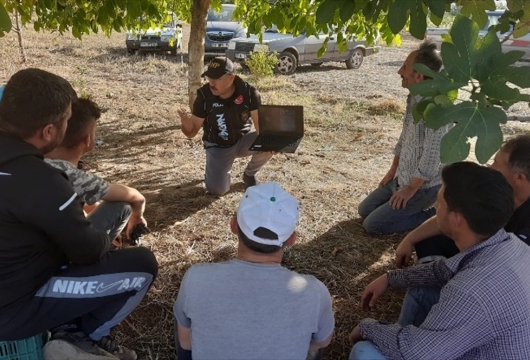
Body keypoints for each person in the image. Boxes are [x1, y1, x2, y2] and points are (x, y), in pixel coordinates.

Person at [0, 68, 158, 360]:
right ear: (48, 131)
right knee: (142, 265)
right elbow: (88, 252)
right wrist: (106, 242)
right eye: (66, 120)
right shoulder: (39, 180)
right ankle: (82, 337)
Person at [348, 162, 530, 360]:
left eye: (440, 204)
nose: (435, 208)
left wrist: (369, 327)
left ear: (456, 220)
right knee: (423, 292)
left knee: (365, 353)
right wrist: (391, 278)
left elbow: (417, 352)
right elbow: (445, 270)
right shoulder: (512, 246)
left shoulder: (471, 291)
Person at [395, 135, 530, 300]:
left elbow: (506, 268)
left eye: (496, 163)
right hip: (491, 256)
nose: (490, 168)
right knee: (428, 240)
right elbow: (450, 215)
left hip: (526, 289)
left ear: (519, 177)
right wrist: (410, 239)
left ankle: (441, 291)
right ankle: (439, 284)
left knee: (427, 289)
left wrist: (442, 272)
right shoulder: (504, 190)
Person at [173, 182, 334, 359]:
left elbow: (186, 342)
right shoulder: (315, 292)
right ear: (291, 239)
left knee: (183, 318)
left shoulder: (196, 278)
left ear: (233, 225)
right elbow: (321, 342)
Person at [357, 40, 451, 234]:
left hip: (423, 187)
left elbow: (432, 156)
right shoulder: (414, 98)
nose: (399, 71)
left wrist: (410, 189)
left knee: (373, 225)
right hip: (401, 178)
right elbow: (404, 138)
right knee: (364, 210)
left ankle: (434, 215)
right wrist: (393, 171)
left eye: (404, 67)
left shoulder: (437, 108)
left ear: (418, 75)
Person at [45, 97, 149, 246]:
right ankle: (102, 256)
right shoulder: (75, 177)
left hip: (31, 245)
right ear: (87, 140)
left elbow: (79, 203)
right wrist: (136, 217)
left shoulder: (35, 159)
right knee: (122, 207)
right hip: (59, 253)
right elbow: (136, 198)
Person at [177, 56, 273, 196]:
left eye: (217, 78)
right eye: (209, 78)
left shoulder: (250, 93)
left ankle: (249, 174)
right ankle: (215, 172)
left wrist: (270, 144)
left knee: (270, 142)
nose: (211, 83)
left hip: (242, 140)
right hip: (218, 146)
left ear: (231, 78)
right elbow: (191, 133)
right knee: (218, 190)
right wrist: (185, 125)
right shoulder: (204, 96)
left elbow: (260, 127)